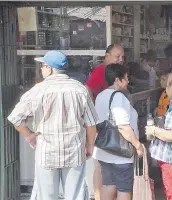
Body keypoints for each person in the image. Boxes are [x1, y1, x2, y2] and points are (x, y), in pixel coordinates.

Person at [7, 51, 98, 200]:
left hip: (46, 153)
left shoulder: (37, 90)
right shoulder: (79, 89)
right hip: (74, 152)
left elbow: (15, 118)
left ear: (49, 68)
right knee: (75, 195)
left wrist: (28, 134)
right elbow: (91, 124)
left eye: (42, 66)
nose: (41, 70)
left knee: (46, 196)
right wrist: (89, 145)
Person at [93, 64, 144, 200]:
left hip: (105, 150)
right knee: (124, 188)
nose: (128, 82)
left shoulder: (100, 96)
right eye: (126, 78)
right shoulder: (118, 97)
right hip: (120, 153)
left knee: (108, 184)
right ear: (117, 80)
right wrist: (137, 145)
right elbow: (123, 126)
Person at [85, 44, 124, 200]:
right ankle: (99, 196)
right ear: (107, 55)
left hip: (107, 126)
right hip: (100, 126)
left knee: (106, 167)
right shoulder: (101, 71)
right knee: (100, 166)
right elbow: (87, 91)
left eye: (122, 57)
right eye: (117, 56)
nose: (121, 60)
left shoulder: (113, 72)